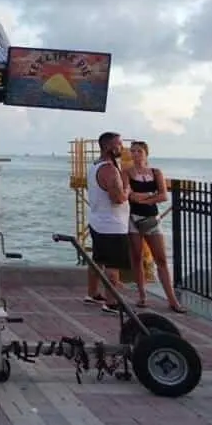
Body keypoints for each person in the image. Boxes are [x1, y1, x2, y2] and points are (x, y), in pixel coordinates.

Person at [126, 140, 185, 313]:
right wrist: (148, 196)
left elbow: (163, 196)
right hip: (133, 219)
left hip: (152, 218)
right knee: (137, 258)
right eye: (133, 151)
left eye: (139, 151)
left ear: (146, 153)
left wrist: (144, 197)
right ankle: (142, 295)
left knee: (161, 259)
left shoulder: (155, 172)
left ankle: (172, 299)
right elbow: (130, 195)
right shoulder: (127, 172)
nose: (136, 155)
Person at [84, 131, 131, 314]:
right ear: (110, 146)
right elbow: (117, 198)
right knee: (113, 265)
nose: (122, 147)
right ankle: (111, 303)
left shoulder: (95, 165)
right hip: (112, 224)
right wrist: (127, 190)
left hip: (97, 220)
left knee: (97, 260)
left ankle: (92, 293)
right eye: (119, 144)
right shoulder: (110, 169)